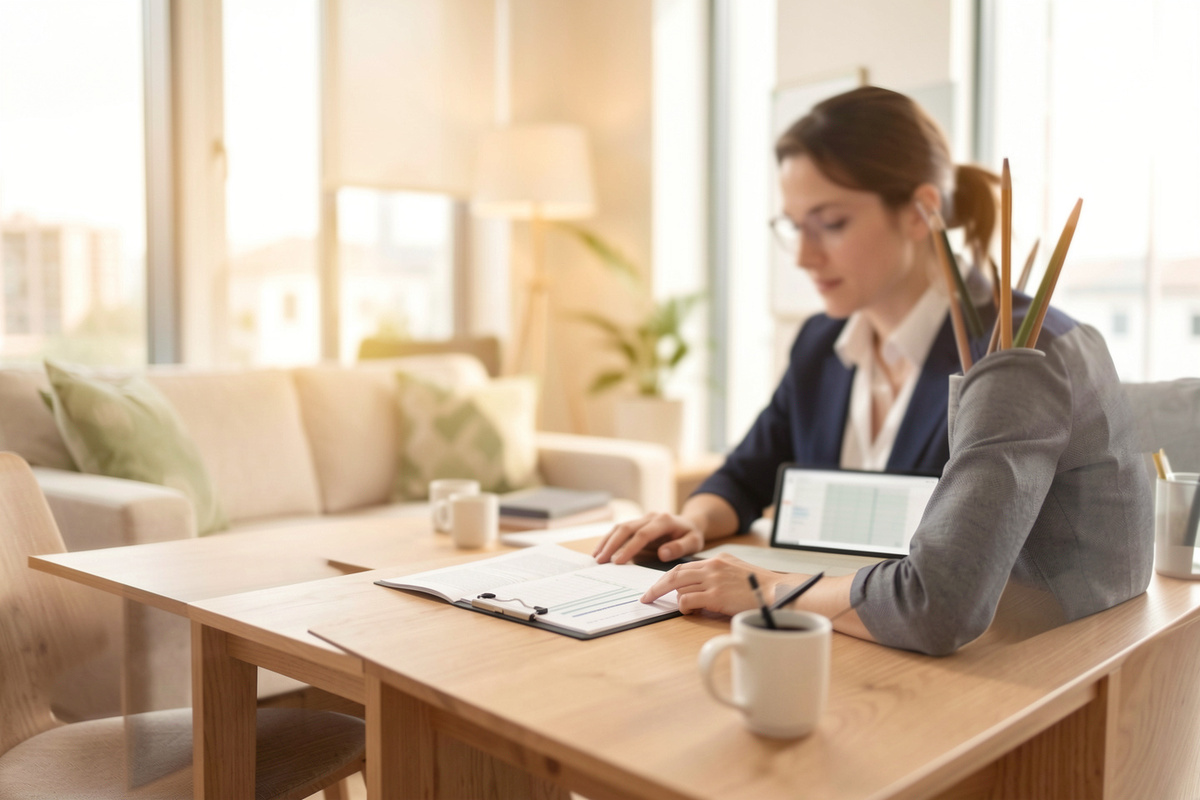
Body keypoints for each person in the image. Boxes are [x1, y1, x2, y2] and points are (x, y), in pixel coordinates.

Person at [594, 86, 1152, 655]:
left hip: (999, 669)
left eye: (831, 223)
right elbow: (745, 475)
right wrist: (691, 522)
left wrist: (763, 588)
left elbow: (938, 599)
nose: (806, 258)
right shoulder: (821, 343)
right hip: (856, 635)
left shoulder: (1021, 355)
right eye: (794, 227)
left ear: (919, 213)